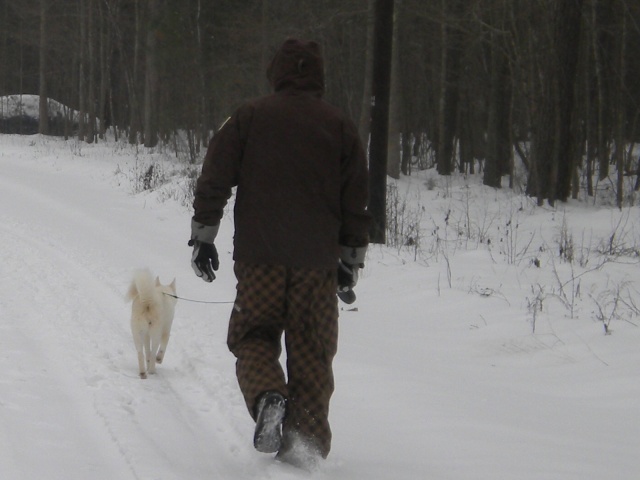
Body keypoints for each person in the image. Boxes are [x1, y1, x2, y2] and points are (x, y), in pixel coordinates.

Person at [189, 38, 371, 466]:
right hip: (316, 265)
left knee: (253, 335)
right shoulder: (340, 126)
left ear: (276, 72)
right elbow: (356, 201)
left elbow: (215, 175)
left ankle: (269, 393)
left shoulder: (250, 117)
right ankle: (303, 445)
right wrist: (350, 260)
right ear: (319, 76)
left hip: (260, 259)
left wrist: (203, 236)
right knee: (312, 349)